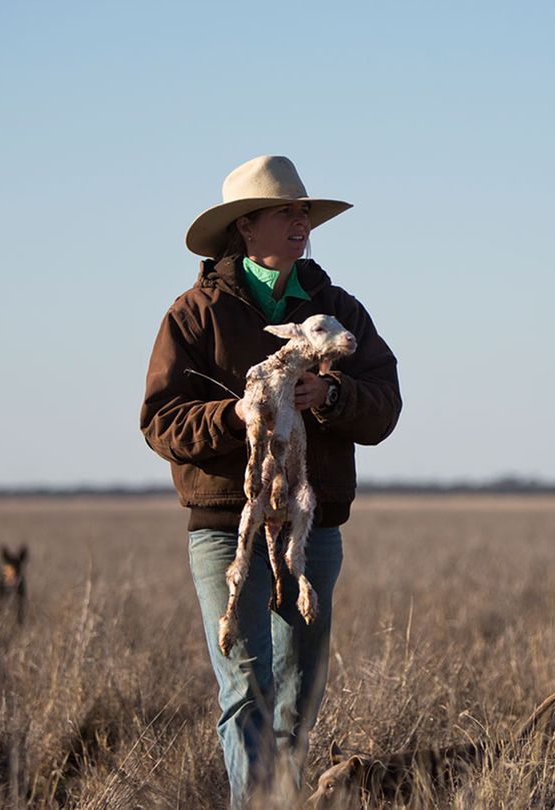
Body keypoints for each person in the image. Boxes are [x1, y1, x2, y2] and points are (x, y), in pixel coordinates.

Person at [140, 155, 401, 805]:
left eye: (304, 210)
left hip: (313, 530)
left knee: (297, 698)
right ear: (245, 228)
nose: (300, 220)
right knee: (247, 692)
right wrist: (235, 414)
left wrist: (330, 395)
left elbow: (385, 406)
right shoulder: (194, 315)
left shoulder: (339, 311)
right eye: (285, 211)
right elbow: (161, 421)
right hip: (228, 527)